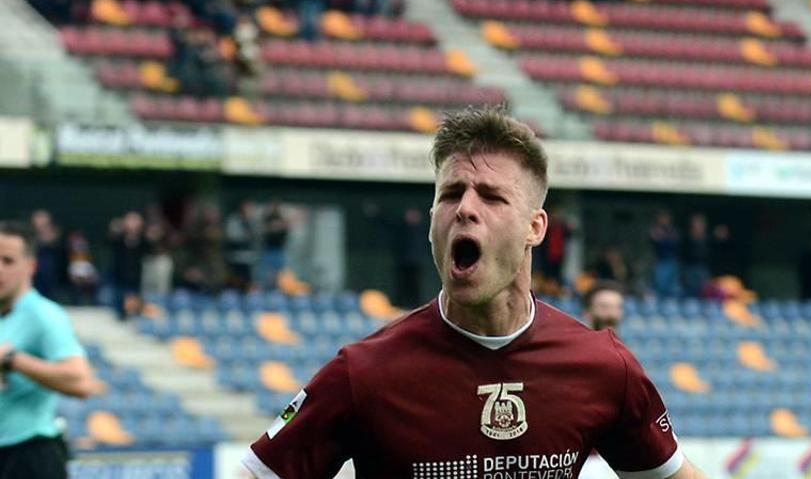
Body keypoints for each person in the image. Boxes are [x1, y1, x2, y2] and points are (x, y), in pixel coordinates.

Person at [242, 106, 705, 479]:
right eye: (450, 194)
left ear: (535, 227)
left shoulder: (603, 367)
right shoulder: (363, 374)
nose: (464, 209)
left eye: (491, 196)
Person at [0, 221, 100, 479]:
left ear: (30, 266)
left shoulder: (43, 315)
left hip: (28, 454)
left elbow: (81, 382)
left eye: (7, 261)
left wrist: (13, 360)